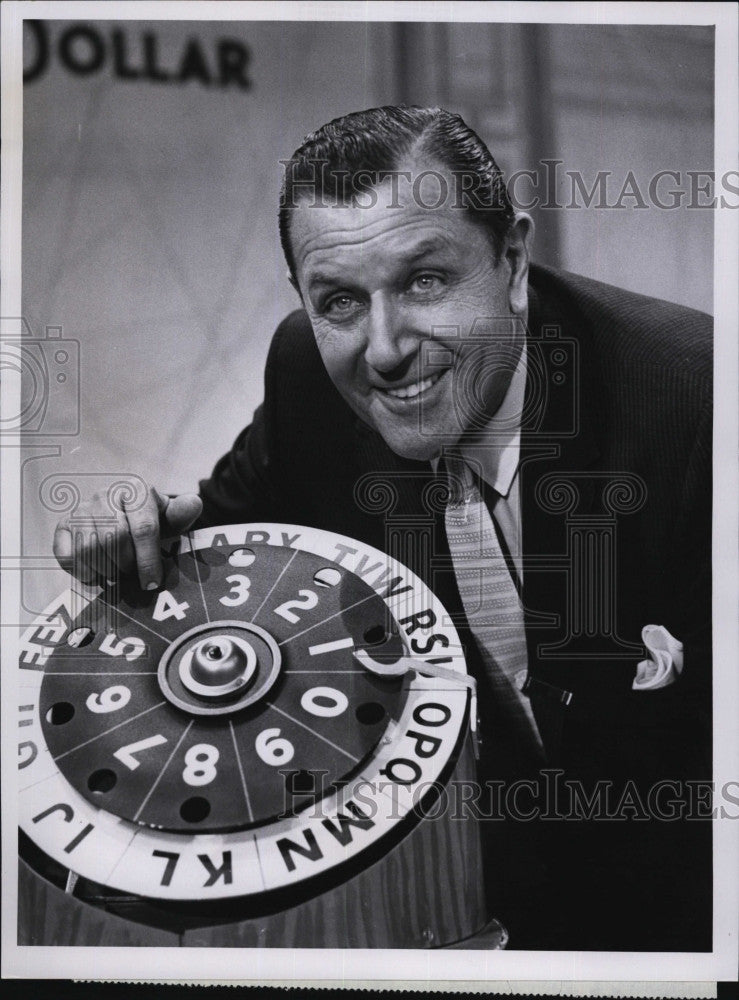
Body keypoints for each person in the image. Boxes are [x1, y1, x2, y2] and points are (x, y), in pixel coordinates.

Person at [53, 106, 712, 951]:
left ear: (511, 260)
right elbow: (208, 559)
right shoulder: (306, 379)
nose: (385, 348)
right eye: (339, 302)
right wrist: (128, 544)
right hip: (463, 912)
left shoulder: (696, 407)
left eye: (424, 282)